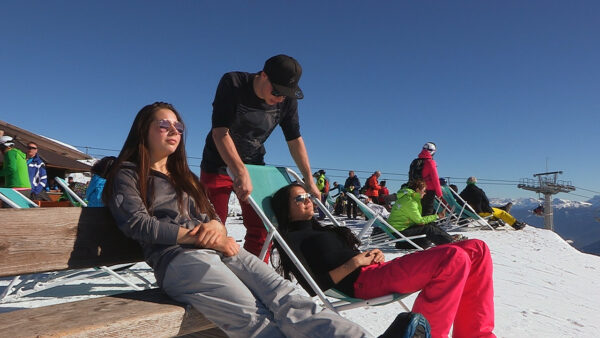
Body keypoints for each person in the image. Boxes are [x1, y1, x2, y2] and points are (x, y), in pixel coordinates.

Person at [103, 102, 370, 338]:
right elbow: (137, 224)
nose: (174, 131)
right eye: (164, 124)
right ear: (143, 130)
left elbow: (213, 215)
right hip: (178, 258)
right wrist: (201, 236)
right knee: (254, 316)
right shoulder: (128, 175)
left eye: (179, 126)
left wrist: (216, 227)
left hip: (219, 248)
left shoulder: (185, 177)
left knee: (287, 297)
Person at [270, 183, 496, 338]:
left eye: (308, 196)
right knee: (453, 258)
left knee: (478, 248)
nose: (308, 201)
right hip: (362, 282)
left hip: (378, 271)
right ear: (285, 209)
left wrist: (372, 256)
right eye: (299, 198)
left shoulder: (323, 230)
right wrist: (356, 263)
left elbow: (352, 255)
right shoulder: (291, 239)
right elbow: (314, 286)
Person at [199, 54, 319, 259]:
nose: (280, 98)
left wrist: (308, 178)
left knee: (262, 228)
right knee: (213, 227)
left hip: (254, 165)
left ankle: (255, 275)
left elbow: (294, 140)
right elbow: (220, 132)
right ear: (263, 75)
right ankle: (211, 275)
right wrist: (239, 171)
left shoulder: (286, 101)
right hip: (217, 164)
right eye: (277, 91)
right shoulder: (234, 83)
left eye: (285, 94)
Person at [387, 179, 455, 248]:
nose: (425, 193)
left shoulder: (407, 198)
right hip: (399, 232)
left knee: (429, 224)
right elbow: (419, 221)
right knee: (428, 228)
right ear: (417, 190)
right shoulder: (410, 202)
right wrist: (437, 216)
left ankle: (449, 239)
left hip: (399, 229)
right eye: (424, 191)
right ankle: (450, 243)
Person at [459, 177, 526, 230]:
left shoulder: (463, 192)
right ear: (475, 182)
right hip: (479, 212)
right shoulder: (479, 191)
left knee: (495, 210)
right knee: (502, 213)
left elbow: (459, 201)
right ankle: (517, 225)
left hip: (468, 212)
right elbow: (486, 202)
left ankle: (493, 222)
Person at [409, 142, 442, 216]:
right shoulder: (430, 162)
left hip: (416, 189)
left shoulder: (415, 161)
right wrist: (439, 193)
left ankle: (417, 224)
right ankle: (425, 226)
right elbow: (435, 178)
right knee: (427, 210)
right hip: (429, 190)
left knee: (418, 209)